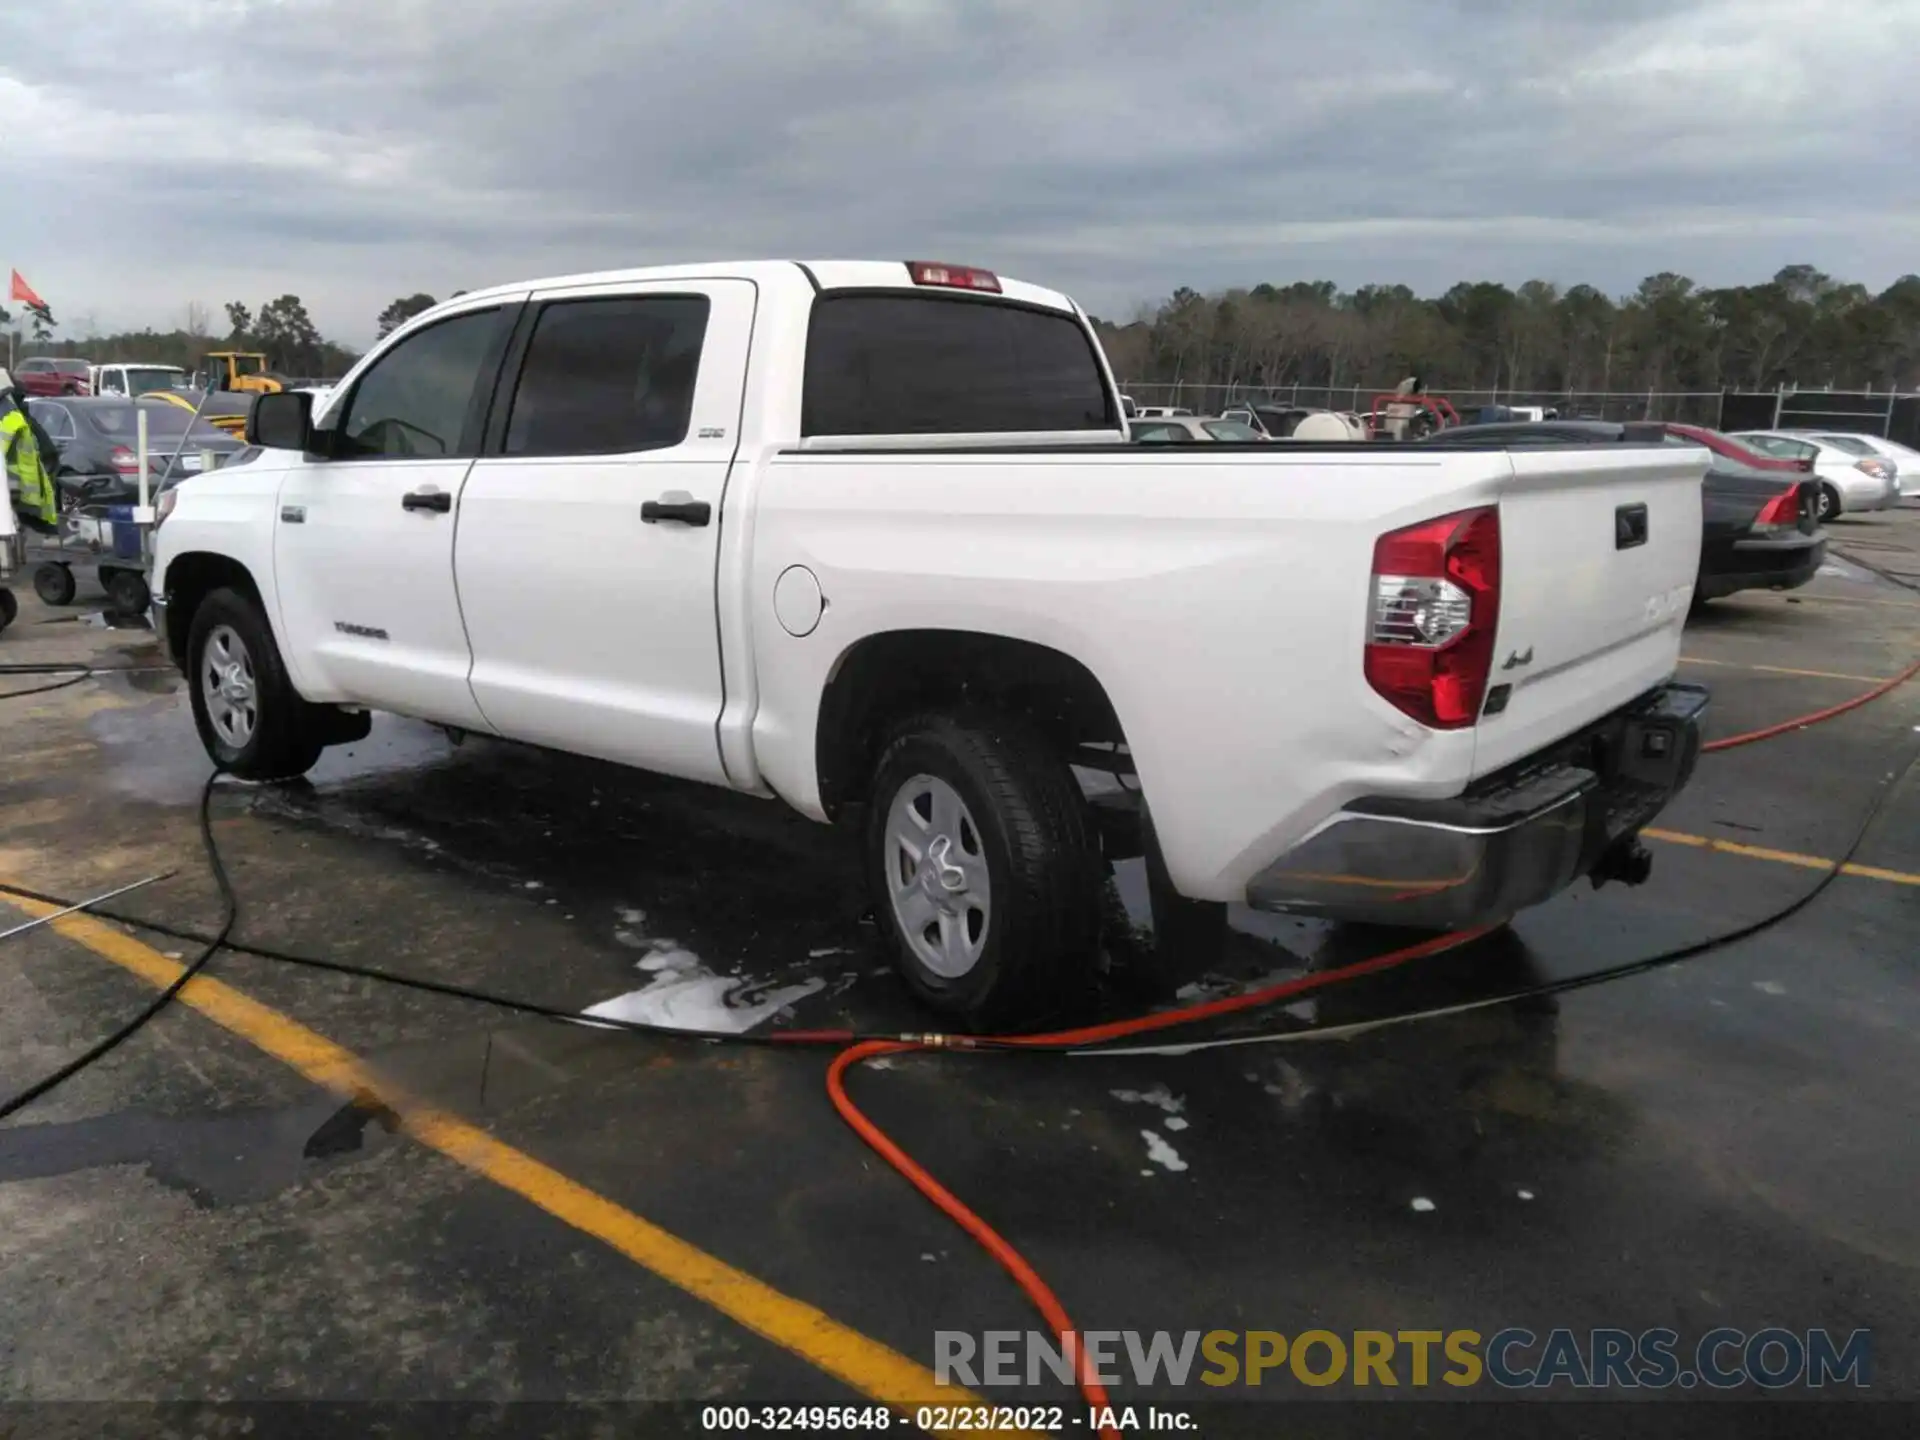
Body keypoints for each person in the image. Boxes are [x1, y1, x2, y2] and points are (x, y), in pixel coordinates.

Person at [1, 368, 60, 533]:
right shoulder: (17, 417)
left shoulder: (12, 418)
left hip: (15, 498)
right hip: (21, 501)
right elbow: (49, 455)